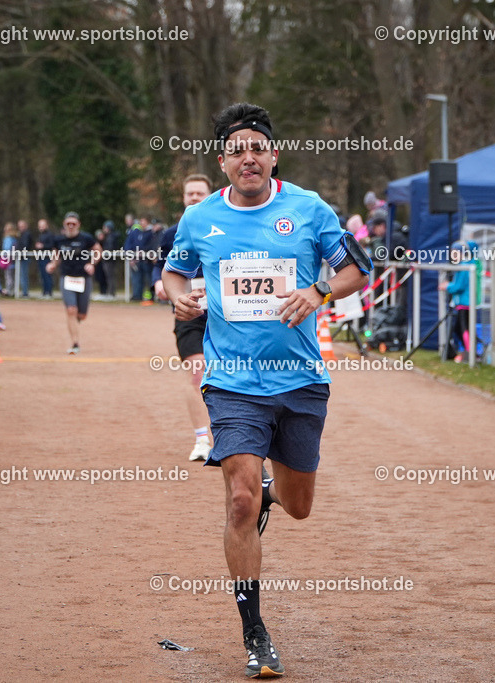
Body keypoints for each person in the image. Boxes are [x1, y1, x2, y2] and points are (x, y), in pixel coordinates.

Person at [161, 102, 369, 678]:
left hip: (300, 380)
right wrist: (176, 293)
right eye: (237, 149)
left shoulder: (308, 208)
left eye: (258, 147)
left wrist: (320, 290)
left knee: (299, 506)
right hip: (232, 383)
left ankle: (278, 493)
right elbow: (174, 270)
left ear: (273, 155)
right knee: (238, 499)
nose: (248, 157)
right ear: (223, 161)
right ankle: (255, 633)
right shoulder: (200, 219)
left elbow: (358, 267)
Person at [153, 173, 214, 460]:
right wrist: (159, 283)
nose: (193, 198)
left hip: (225, 315)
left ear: (210, 196)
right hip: (188, 313)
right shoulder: (171, 233)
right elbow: (162, 268)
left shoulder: (224, 225)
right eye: (189, 194)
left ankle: (233, 436)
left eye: (199, 194)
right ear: (183, 198)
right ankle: (202, 440)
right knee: (197, 372)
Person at [46, 212, 100, 354]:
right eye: (68, 223)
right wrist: (53, 264)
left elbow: (98, 250)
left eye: (73, 224)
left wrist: (92, 263)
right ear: (64, 224)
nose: (71, 226)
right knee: (71, 310)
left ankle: (78, 319)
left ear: (78, 225)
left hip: (83, 278)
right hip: (67, 277)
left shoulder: (86, 238)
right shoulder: (58, 240)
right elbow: (56, 256)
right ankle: (75, 343)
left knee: (81, 315)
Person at [439, 241, 482, 363]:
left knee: (464, 329)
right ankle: (471, 352)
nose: (453, 256)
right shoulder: (466, 265)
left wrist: (447, 286)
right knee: (459, 329)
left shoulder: (465, 266)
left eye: (455, 253)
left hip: (466, 303)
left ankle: (471, 354)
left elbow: (459, 286)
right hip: (464, 303)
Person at [35, 219, 57, 298]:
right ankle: (44, 292)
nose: (41, 227)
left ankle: (49, 292)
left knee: (48, 275)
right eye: (40, 226)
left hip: (47, 258)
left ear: (46, 225)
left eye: (43, 225)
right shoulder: (40, 235)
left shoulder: (50, 235)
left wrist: (43, 246)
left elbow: (52, 245)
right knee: (42, 275)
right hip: (41, 257)